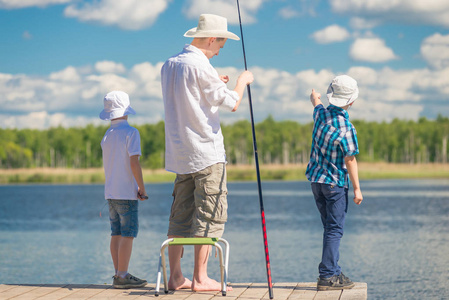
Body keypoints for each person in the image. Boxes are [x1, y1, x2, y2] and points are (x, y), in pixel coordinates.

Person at [161, 14, 254, 292]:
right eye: (220, 46)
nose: (218, 52)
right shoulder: (201, 67)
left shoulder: (169, 65)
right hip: (207, 153)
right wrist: (241, 81)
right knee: (209, 215)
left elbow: (193, 94)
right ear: (212, 39)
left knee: (180, 215)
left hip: (180, 155)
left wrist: (216, 79)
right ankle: (200, 278)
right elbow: (232, 102)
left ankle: (175, 277)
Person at [305, 75, 363, 291]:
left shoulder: (321, 115)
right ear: (351, 101)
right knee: (335, 229)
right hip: (334, 184)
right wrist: (357, 188)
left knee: (329, 228)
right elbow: (350, 159)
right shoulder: (347, 128)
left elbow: (317, 104)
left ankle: (334, 270)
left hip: (316, 182)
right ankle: (328, 276)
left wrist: (314, 97)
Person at [99, 91, 148, 289]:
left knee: (116, 233)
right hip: (127, 193)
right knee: (128, 233)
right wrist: (141, 188)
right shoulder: (131, 132)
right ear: (126, 111)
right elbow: (134, 163)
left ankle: (118, 273)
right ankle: (122, 275)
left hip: (110, 193)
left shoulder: (107, 135)